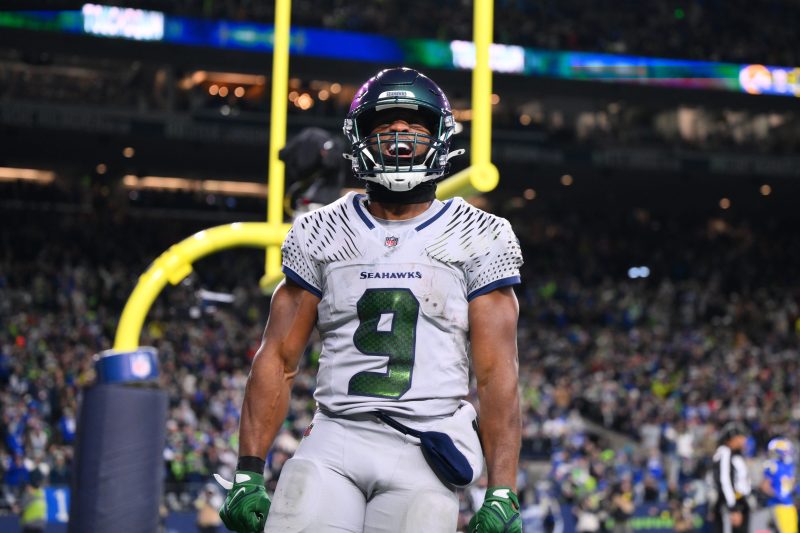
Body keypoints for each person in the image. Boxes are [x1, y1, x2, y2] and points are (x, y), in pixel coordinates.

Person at [215, 66, 524, 533]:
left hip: (425, 440)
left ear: (440, 136)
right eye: (384, 123)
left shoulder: (480, 234)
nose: (399, 134)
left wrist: (502, 490)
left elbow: (497, 373)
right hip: (336, 434)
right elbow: (278, 357)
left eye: (415, 123)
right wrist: (248, 471)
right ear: (359, 136)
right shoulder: (320, 230)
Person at [711, 422, 751, 533]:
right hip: (730, 504)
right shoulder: (725, 451)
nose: (744, 440)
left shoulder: (735, 454)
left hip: (738, 502)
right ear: (733, 437)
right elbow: (724, 480)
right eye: (741, 437)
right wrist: (733, 508)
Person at [760, 437, 797, 533]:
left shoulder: (789, 466)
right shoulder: (772, 465)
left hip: (789, 504)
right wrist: (777, 496)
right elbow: (765, 486)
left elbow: (791, 485)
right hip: (777, 505)